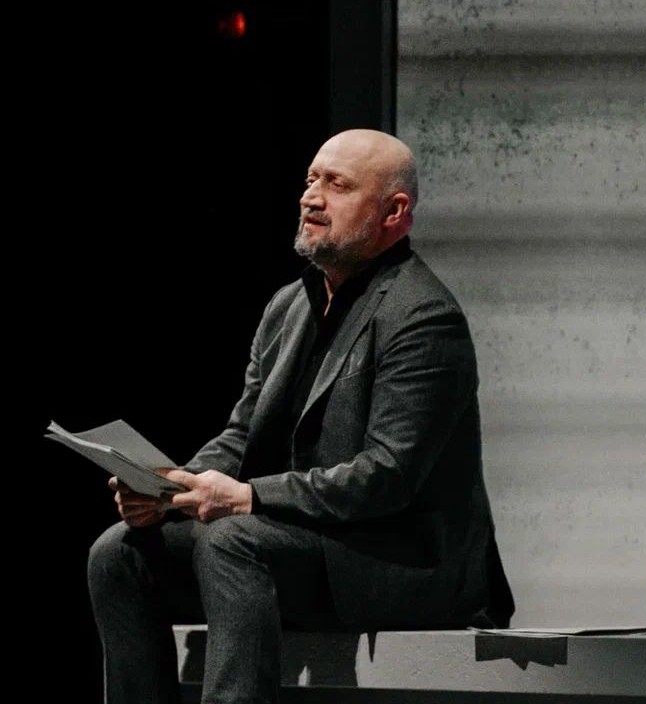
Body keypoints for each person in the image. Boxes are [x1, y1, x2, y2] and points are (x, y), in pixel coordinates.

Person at [88, 128, 514, 704]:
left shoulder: (424, 316)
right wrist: (169, 487)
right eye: (311, 179)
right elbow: (243, 434)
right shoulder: (289, 304)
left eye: (337, 185)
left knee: (232, 539)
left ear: (393, 213)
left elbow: (388, 476)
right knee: (118, 552)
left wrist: (249, 497)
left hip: (400, 563)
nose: (311, 197)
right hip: (302, 546)